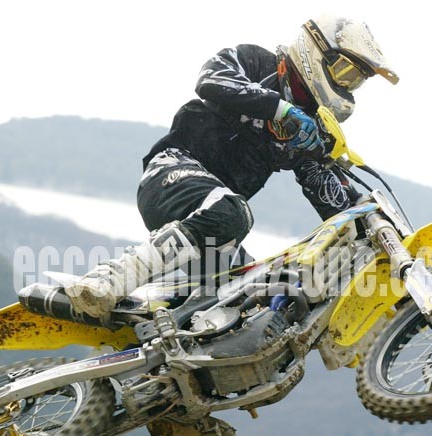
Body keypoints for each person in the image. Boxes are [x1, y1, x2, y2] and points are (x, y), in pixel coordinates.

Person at [67, 16, 398, 319]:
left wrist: (381, 236)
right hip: (171, 174)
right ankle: (110, 278)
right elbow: (211, 80)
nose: (347, 84)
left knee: (255, 299)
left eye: (355, 80)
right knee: (232, 212)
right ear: (317, 51)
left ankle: (166, 344)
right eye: (344, 72)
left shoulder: (310, 128)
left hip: (215, 228)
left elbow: (333, 201)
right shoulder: (256, 62)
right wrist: (279, 109)